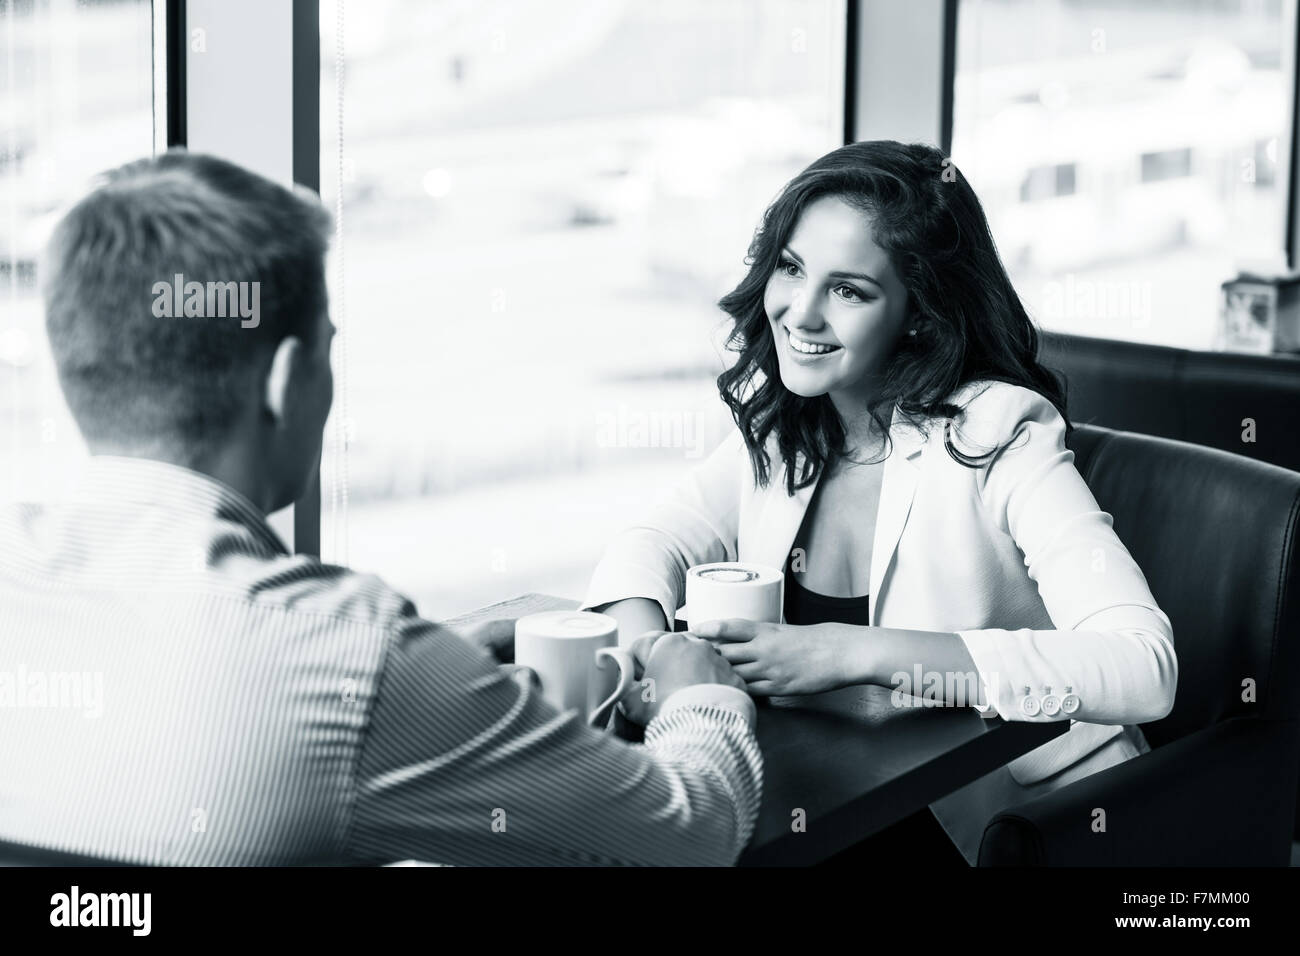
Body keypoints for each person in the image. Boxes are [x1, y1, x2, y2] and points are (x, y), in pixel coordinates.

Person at [0, 150, 762, 866]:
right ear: (287, 379)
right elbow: (694, 832)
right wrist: (701, 693)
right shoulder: (355, 654)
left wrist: (430, 678)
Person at [582, 140, 1178, 865]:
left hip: (1021, 828)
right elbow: (652, 542)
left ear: (919, 314)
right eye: (793, 268)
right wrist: (655, 654)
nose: (800, 313)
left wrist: (849, 653)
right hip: (847, 810)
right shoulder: (788, 425)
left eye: (849, 290)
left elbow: (1144, 667)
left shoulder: (1002, 436)